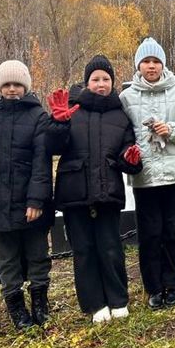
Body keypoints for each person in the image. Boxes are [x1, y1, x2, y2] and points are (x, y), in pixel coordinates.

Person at [46, 54, 141, 324]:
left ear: (112, 82)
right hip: (74, 190)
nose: (101, 84)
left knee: (111, 247)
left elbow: (127, 151)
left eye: (106, 79)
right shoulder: (72, 110)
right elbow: (53, 147)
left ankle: (118, 299)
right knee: (84, 249)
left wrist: (131, 160)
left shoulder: (121, 115)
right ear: (87, 82)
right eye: (95, 79)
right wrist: (59, 123)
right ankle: (94, 303)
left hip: (107, 191)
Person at [0, 60, 53, 330]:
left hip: (31, 202)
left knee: (38, 254)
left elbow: (42, 162)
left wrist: (36, 200)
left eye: (17, 84)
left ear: (25, 87)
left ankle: (40, 301)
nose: (12, 89)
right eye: (7, 84)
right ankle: (15, 307)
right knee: (7, 258)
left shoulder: (39, 116)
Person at [120, 37, 175, 310]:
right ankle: (153, 287)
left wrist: (172, 130)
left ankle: (171, 285)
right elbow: (119, 133)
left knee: (172, 233)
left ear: (163, 64)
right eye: (146, 61)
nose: (151, 66)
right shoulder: (126, 97)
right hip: (145, 178)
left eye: (156, 61)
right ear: (138, 65)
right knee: (149, 235)